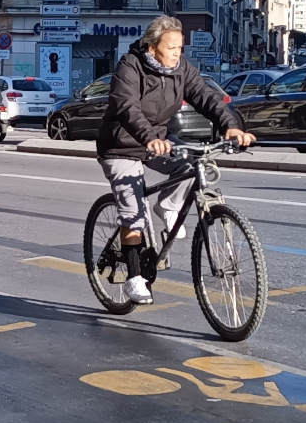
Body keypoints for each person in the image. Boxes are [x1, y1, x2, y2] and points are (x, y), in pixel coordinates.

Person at [97, 15, 253, 305]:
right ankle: (134, 278)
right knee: (133, 214)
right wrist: (148, 137)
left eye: (180, 48)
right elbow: (127, 107)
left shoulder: (181, 69)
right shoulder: (130, 66)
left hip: (156, 141)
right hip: (121, 145)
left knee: (192, 163)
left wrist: (230, 126)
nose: (177, 54)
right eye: (171, 48)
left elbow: (206, 97)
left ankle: (168, 206)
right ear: (152, 47)